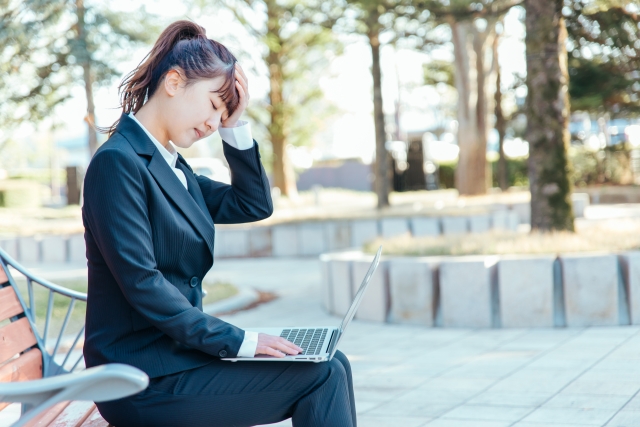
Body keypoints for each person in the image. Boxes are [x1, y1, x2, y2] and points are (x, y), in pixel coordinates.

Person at [82, 20, 357, 427]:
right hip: (140, 380)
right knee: (321, 374)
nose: (213, 124)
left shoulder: (171, 165)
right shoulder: (118, 163)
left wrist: (235, 126)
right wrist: (242, 342)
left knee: (332, 362)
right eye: (214, 106)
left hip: (177, 361)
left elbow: (252, 204)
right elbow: (143, 282)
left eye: (222, 115)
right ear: (174, 81)